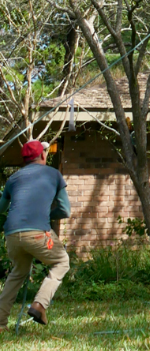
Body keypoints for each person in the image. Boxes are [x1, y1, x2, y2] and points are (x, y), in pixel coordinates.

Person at [0, 140, 71, 330]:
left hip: (12, 235)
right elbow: (65, 210)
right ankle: (39, 304)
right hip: (39, 233)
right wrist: (46, 215)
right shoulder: (53, 174)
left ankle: (0, 323)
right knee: (62, 262)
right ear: (42, 156)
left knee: (17, 274)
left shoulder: (13, 179)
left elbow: (1, 208)